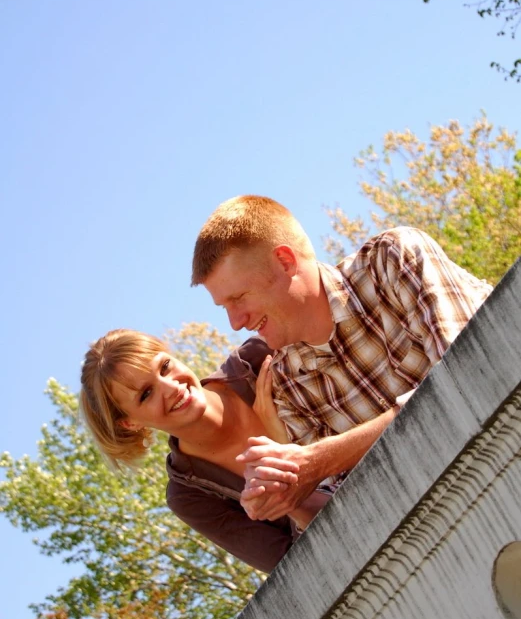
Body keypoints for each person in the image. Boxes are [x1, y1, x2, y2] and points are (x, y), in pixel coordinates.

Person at [191, 195, 493, 522]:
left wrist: (321, 458)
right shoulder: (288, 386)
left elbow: (471, 378)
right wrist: (285, 493)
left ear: (284, 261)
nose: (236, 322)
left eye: (238, 298)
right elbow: (364, 514)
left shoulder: (391, 260)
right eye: (225, 307)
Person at [80, 329, 395, 571]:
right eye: (146, 394)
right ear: (130, 424)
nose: (171, 387)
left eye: (165, 367)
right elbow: (298, 567)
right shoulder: (190, 496)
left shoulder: (257, 361)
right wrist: (283, 478)